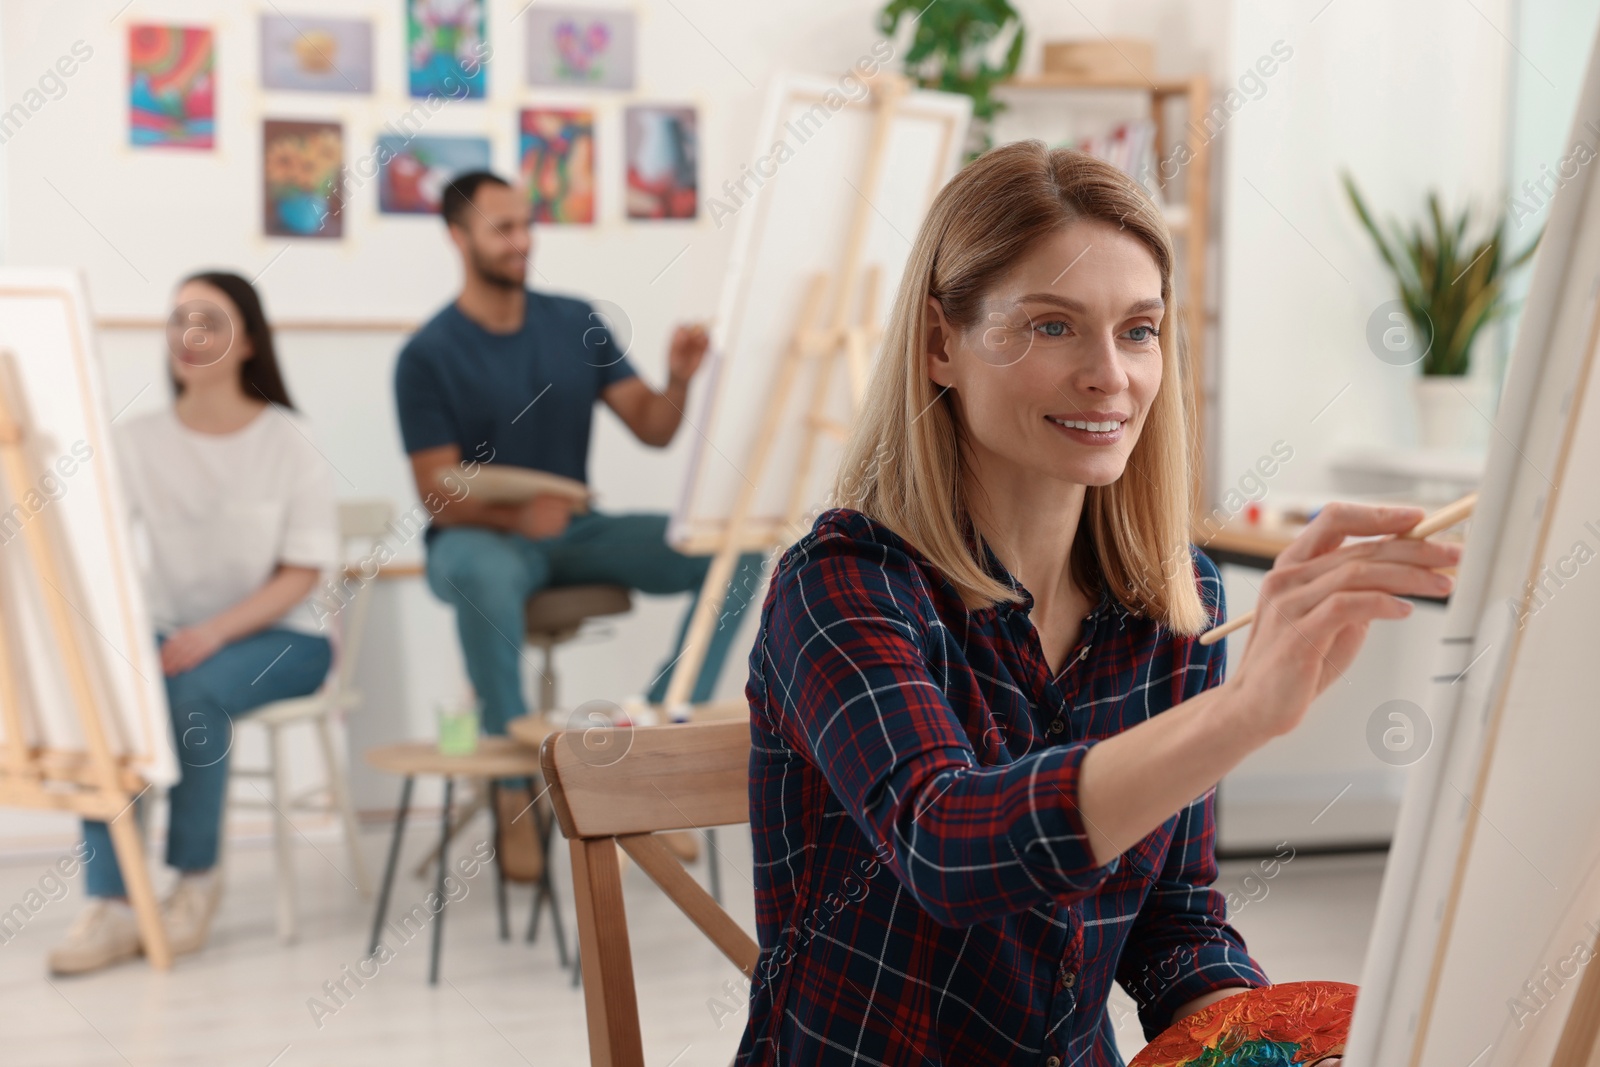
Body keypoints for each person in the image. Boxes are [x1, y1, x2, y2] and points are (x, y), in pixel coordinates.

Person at [735, 143, 1453, 1065]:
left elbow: (1173, 925)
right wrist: (1242, 715)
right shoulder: (843, 582)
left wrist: (1270, 1040)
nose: (1110, 375)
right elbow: (945, 845)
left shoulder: (1178, 602)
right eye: (1051, 326)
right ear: (939, 343)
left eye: (1140, 329)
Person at [394, 171, 764, 877]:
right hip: (478, 540)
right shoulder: (427, 355)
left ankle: (652, 753)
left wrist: (679, 378)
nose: (522, 240)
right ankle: (514, 790)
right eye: (503, 228)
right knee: (479, 568)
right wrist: (514, 513)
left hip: (573, 532)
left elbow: (653, 428)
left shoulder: (576, 321)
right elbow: (437, 491)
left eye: (526, 223)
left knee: (734, 549)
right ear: (458, 236)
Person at [50, 272, 339, 976]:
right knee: (115, 691)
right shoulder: (136, 441)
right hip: (175, 629)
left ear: (249, 341)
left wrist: (215, 632)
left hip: (287, 636)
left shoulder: (290, 440)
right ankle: (115, 903)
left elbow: (303, 573)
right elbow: (101, 550)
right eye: (178, 319)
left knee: (194, 692)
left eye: (208, 320)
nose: (189, 335)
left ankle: (194, 882)